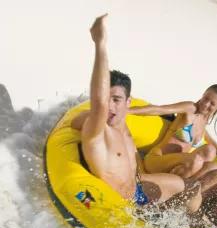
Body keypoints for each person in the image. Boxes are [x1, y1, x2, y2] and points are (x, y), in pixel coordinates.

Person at [69, 15, 198, 210]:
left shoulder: (124, 127)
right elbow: (97, 105)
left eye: (117, 100)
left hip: (137, 192)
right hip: (119, 206)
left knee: (191, 189)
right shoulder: (99, 129)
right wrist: (100, 43)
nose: (110, 106)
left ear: (128, 102)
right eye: (107, 99)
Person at [128, 84, 217, 181]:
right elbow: (159, 109)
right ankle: (172, 190)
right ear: (203, 94)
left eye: (212, 103)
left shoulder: (204, 119)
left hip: (176, 168)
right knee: (196, 161)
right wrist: (128, 111)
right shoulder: (190, 108)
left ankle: (184, 190)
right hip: (157, 160)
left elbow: (203, 133)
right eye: (206, 98)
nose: (206, 104)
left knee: (210, 151)